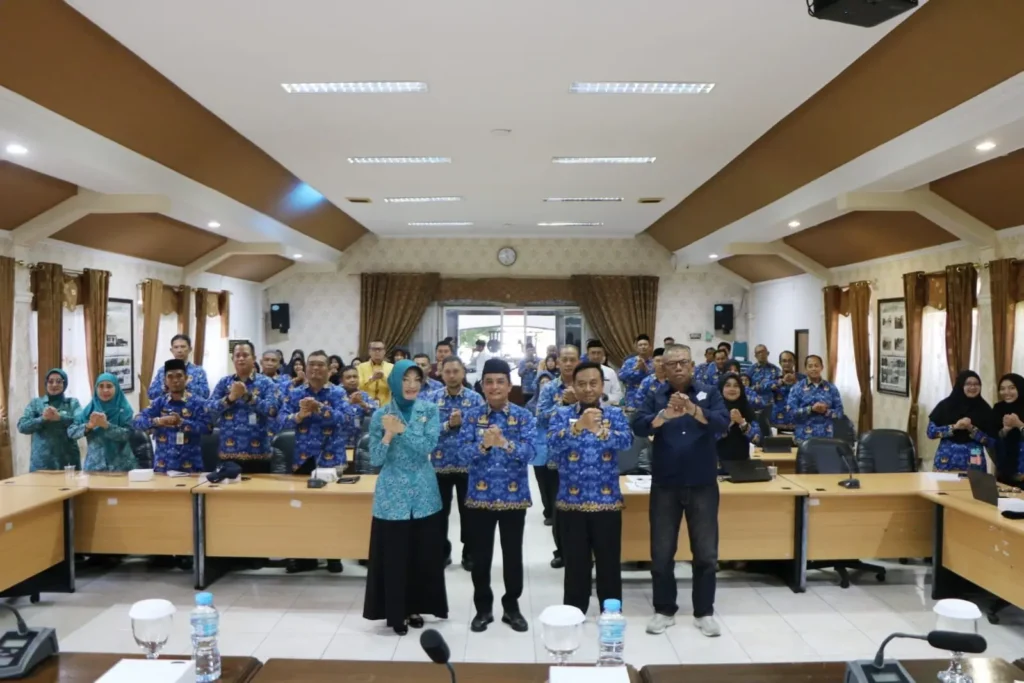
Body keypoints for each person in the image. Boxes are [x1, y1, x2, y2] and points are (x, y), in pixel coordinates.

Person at [633, 344, 729, 638]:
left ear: (692, 365)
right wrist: (664, 416)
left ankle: (704, 612)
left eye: (683, 362)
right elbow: (636, 425)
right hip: (665, 483)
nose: (677, 368)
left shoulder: (709, 392)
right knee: (662, 552)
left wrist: (693, 410)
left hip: (702, 483)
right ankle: (664, 609)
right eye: (671, 363)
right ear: (662, 368)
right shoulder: (654, 394)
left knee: (706, 552)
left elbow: (722, 423)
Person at [363, 360, 447, 635]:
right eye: (405, 379)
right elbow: (375, 458)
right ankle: (395, 612)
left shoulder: (429, 410)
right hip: (392, 494)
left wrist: (403, 430)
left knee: (421, 555)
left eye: (416, 380)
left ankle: (415, 607)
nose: (411, 385)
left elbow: (427, 446)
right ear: (395, 382)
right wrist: (388, 434)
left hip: (423, 492)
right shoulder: (380, 415)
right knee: (395, 556)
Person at [547, 362, 632, 615]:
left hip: (607, 502)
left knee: (608, 561)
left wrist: (601, 431)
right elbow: (551, 445)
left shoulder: (614, 414)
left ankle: (610, 610)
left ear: (602, 385)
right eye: (581, 383)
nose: (587, 389)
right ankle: (574, 610)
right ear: (573, 385)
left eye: (593, 383)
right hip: (570, 502)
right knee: (576, 562)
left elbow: (627, 442)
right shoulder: (561, 415)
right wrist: (578, 427)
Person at [459, 358, 534, 634]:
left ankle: (511, 607)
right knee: (481, 557)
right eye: (489, 382)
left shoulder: (523, 416)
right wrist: (484, 445)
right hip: (480, 498)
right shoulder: (471, 417)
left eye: (500, 381)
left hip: (515, 499)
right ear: (482, 386)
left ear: (509, 385)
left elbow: (530, 453)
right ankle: (483, 608)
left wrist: (504, 442)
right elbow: (461, 455)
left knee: (513, 555)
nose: (494, 387)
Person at [279, 350, 351, 574]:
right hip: (303, 459)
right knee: (302, 510)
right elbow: (279, 422)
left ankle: (333, 556)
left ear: (329, 369)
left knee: (331, 510)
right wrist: (298, 416)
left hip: (332, 459)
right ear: (305, 369)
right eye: (311, 364)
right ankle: (304, 556)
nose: (315, 369)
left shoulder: (338, 393)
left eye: (320, 365)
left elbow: (348, 420)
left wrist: (321, 409)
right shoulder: (295, 394)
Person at [430, 357, 485, 570]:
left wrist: (463, 425)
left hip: (468, 466)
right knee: (439, 513)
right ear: (441, 374)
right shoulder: (431, 399)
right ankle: (442, 552)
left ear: (463, 373)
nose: (452, 375)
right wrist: (448, 425)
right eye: (447, 372)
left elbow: (482, 431)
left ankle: (469, 553)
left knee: (469, 513)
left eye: (456, 371)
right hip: (439, 464)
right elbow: (427, 431)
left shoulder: (476, 399)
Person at [536, 345, 582, 569]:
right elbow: (541, 417)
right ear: (558, 362)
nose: (568, 363)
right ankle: (561, 551)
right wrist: (563, 404)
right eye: (564, 359)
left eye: (572, 359)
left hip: (585, 458)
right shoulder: (549, 388)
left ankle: (583, 553)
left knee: (581, 508)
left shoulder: (587, 385)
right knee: (559, 509)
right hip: (557, 457)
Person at [208, 341, 281, 471]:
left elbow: (272, 410)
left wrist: (248, 397)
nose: (241, 359)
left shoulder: (266, 383)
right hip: (229, 453)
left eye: (245, 355)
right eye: (237, 355)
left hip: (259, 454)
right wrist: (229, 399)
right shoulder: (224, 383)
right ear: (233, 359)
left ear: (253, 358)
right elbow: (209, 410)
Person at [133, 359, 209, 473]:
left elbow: (208, 428)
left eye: (179, 376)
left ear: (186, 378)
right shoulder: (159, 403)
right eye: (170, 377)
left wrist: (182, 423)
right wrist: (158, 421)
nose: (175, 380)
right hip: (163, 466)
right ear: (165, 381)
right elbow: (137, 422)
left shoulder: (197, 403)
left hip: (191, 467)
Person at [927, 370, 997, 472]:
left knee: (973, 488)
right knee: (944, 487)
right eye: (968, 384)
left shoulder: (985, 410)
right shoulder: (945, 406)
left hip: (974, 462)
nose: (973, 387)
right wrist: (955, 427)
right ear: (960, 385)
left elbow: (992, 442)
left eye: (976, 384)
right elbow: (931, 433)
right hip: (946, 461)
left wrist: (972, 429)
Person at [17, 368, 82, 471]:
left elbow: (81, 423)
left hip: (68, 461)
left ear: (65, 384)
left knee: (71, 487)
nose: (54, 385)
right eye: (50, 381)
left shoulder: (72, 403)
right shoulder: (36, 403)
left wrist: (60, 418)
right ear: (46, 383)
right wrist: (42, 419)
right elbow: (22, 426)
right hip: (42, 462)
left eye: (59, 381)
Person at [70, 373, 137, 472]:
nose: (105, 390)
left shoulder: (125, 410)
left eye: (109, 386)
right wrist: (88, 426)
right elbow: (71, 433)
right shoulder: (89, 410)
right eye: (101, 386)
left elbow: (127, 435)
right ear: (96, 389)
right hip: (94, 467)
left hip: (121, 467)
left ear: (116, 388)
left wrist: (106, 426)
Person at [786, 355, 844, 445]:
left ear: (822, 367)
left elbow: (840, 413)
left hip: (826, 438)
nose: (814, 369)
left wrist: (826, 411)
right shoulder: (797, 388)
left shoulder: (831, 388)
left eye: (816, 366)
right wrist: (811, 409)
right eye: (810, 366)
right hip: (803, 439)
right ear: (805, 369)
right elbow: (790, 413)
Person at [527, 372, 555, 526]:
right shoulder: (531, 405)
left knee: (553, 483)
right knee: (542, 482)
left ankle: (554, 511)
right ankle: (548, 510)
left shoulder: (560, 404)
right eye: (542, 383)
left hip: (554, 449)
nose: (545, 385)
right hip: (538, 449)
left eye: (548, 382)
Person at [147, 334, 210, 400]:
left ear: (190, 349)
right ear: (171, 350)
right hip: (167, 408)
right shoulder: (162, 371)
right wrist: (166, 387)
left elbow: (205, 394)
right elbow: (151, 394)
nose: (179, 350)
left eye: (183, 347)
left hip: (191, 408)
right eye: (176, 347)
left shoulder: (198, 371)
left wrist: (186, 385)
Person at [716, 373, 761, 462]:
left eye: (736, 386)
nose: (732, 389)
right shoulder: (714, 409)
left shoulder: (747, 408)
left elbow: (757, 439)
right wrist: (727, 424)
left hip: (742, 464)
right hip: (716, 464)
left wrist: (742, 422)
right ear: (721, 388)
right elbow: (707, 438)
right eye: (728, 385)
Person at [994, 373, 1024, 484]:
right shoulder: (998, 409)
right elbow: (992, 440)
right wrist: (1005, 430)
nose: (1006, 392)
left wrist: (1019, 425)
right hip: (1005, 470)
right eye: (1002, 389)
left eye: (1012, 388)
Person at [339, 365, 378, 449]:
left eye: (355, 377)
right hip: (339, 442)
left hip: (359, 442)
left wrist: (363, 404)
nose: (352, 380)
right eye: (348, 377)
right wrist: (349, 403)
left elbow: (377, 413)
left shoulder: (364, 395)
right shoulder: (335, 394)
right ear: (341, 380)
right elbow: (332, 413)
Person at [771, 351, 805, 431]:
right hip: (777, 422)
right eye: (784, 361)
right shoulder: (773, 378)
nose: (787, 363)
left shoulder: (803, 379)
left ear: (794, 362)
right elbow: (764, 391)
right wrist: (780, 382)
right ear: (780, 363)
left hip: (798, 423)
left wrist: (797, 382)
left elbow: (809, 395)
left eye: (790, 361)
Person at [584, 339, 625, 406]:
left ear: (603, 354)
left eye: (599, 353)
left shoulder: (610, 372)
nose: (596, 356)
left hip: (605, 410)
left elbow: (618, 395)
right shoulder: (581, 372)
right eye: (593, 353)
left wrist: (605, 397)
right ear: (588, 354)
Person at [619, 334, 655, 409]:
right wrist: (635, 368)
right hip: (632, 397)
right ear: (636, 348)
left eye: (645, 344)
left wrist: (645, 370)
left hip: (649, 397)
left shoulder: (654, 362)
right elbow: (621, 377)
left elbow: (657, 379)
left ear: (650, 347)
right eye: (640, 345)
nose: (643, 347)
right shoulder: (629, 362)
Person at [358, 340, 394, 405]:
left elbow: (395, 387)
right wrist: (372, 379)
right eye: (374, 349)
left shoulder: (392, 367)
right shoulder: (360, 367)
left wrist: (384, 378)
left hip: (386, 406)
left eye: (380, 349)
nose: (377, 351)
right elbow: (358, 387)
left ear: (384, 352)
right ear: (369, 352)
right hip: (365, 406)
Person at [748, 345, 782, 409]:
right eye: (758, 353)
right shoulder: (750, 370)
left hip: (773, 404)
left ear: (768, 353)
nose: (761, 354)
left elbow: (781, 384)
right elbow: (746, 388)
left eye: (763, 352)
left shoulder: (776, 369)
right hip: (755, 405)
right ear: (755, 356)